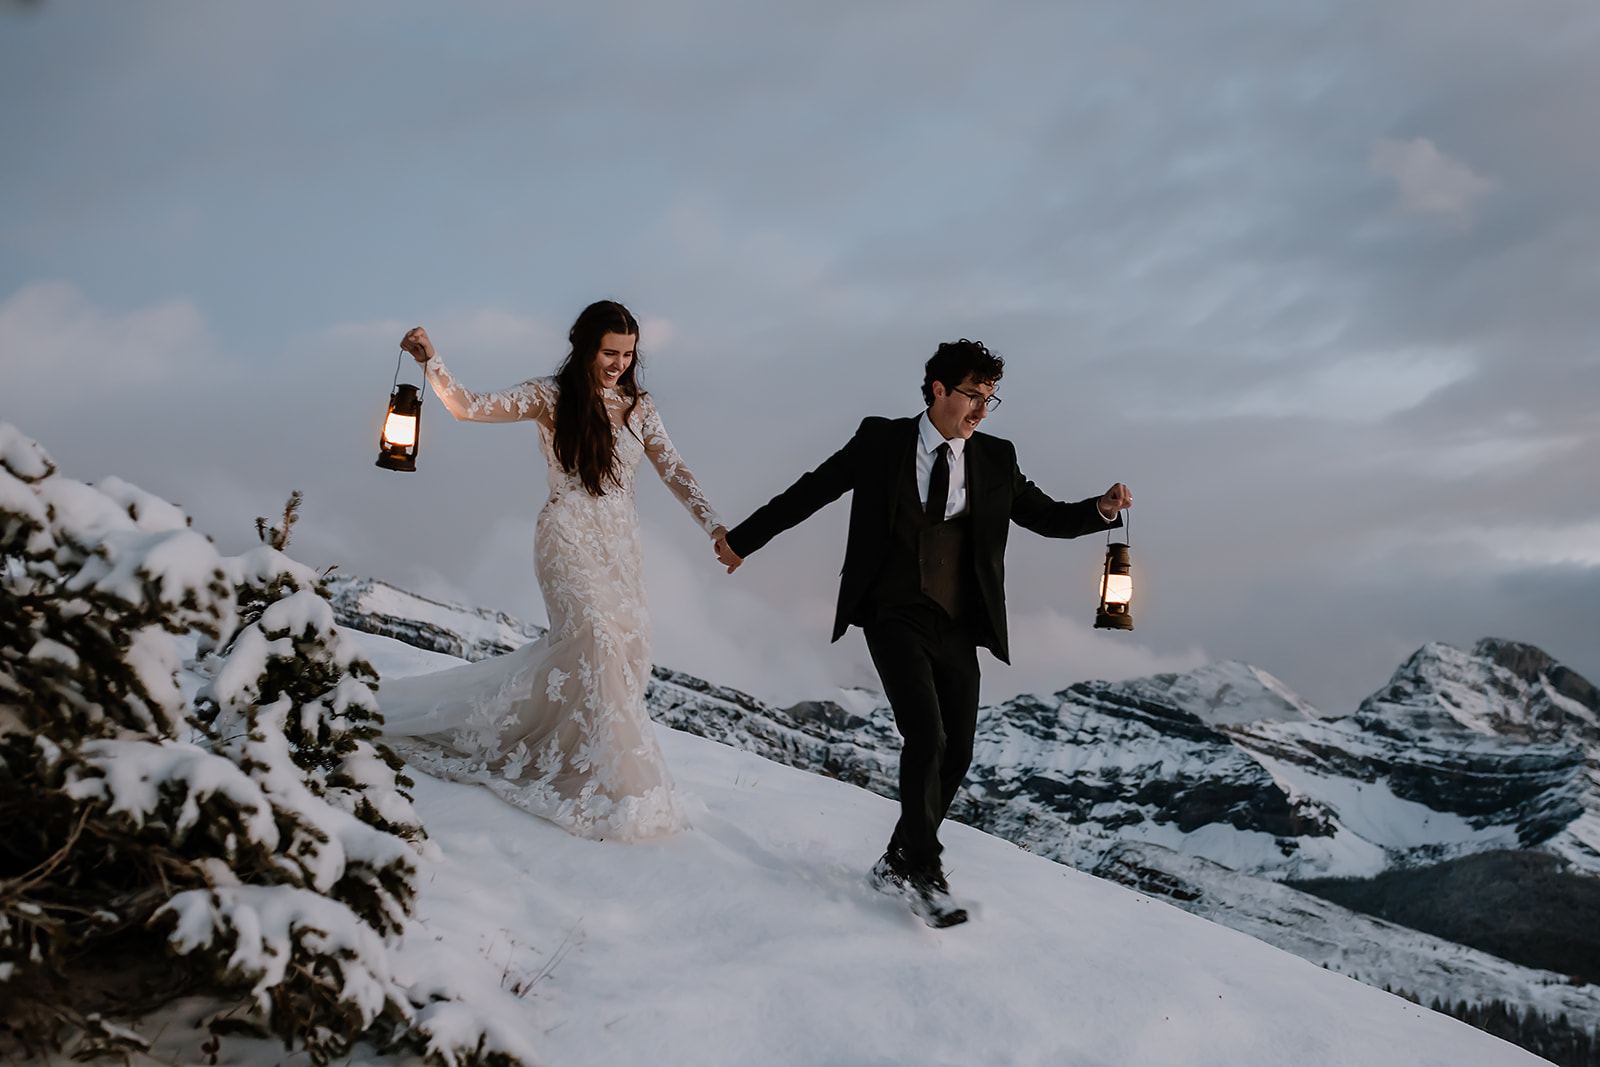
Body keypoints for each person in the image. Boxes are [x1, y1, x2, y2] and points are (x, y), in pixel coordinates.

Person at [714, 340, 1131, 926]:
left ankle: (895, 861)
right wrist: (742, 541)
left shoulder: (996, 457)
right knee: (927, 737)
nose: (981, 411)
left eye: (991, 399)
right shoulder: (880, 441)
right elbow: (811, 491)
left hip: (958, 621)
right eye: (972, 396)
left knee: (957, 750)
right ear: (938, 389)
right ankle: (923, 868)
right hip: (892, 611)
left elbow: (1046, 516)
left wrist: (1101, 510)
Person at [380, 300, 726, 842]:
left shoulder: (641, 406)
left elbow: (674, 468)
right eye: (609, 352)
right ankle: (614, 783)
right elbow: (470, 407)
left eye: (628, 354)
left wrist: (716, 528)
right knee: (597, 638)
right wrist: (431, 361)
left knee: (624, 653)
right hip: (565, 534)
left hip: (620, 544)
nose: (618, 364)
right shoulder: (550, 396)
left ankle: (583, 758)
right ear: (584, 345)